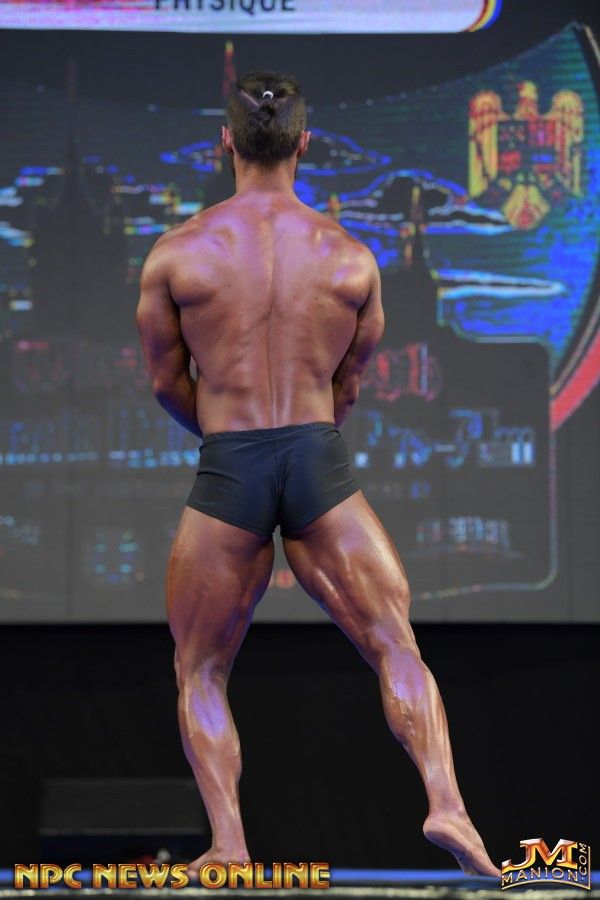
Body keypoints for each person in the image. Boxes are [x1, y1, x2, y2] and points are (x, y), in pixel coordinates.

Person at [135, 71, 500, 879]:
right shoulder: (351, 258)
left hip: (230, 461)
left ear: (225, 143)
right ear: (304, 143)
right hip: (314, 455)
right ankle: (446, 801)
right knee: (394, 643)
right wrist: (303, 445)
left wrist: (229, 441)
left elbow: (165, 383)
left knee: (200, 668)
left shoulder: (178, 254)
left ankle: (230, 844)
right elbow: (349, 387)